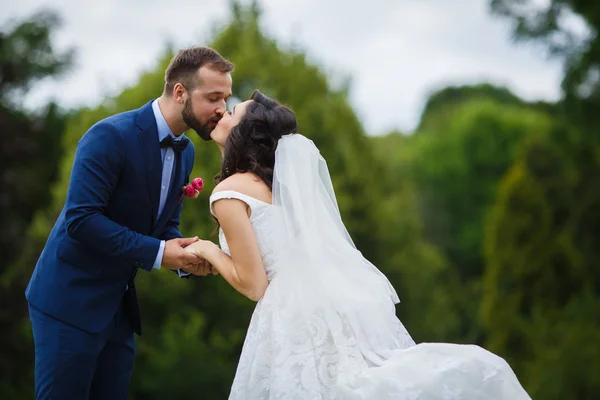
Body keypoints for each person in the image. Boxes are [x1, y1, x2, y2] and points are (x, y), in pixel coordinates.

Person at [185, 90, 532, 399]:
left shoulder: (228, 192)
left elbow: (255, 284)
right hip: (329, 302)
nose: (222, 113)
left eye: (232, 112)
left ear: (245, 135)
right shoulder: (280, 190)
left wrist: (207, 249)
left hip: (292, 314)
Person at [25, 46, 232, 399]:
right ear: (179, 92)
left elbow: (164, 226)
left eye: (226, 99)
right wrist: (158, 253)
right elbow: (81, 219)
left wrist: (187, 257)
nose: (222, 109)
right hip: (69, 302)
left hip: (118, 311)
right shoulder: (109, 136)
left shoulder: (188, 151)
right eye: (213, 97)